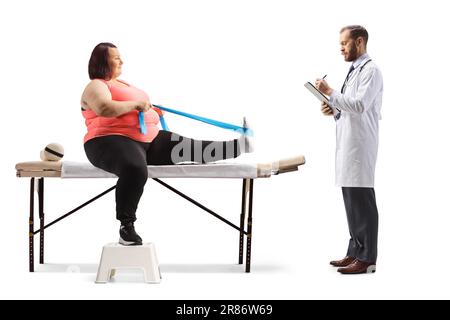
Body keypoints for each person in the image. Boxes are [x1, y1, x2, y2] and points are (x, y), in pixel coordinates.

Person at [81, 42, 253, 246]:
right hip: (108, 141)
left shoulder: (124, 84)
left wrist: (152, 112)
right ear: (102, 61)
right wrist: (136, 105)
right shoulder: (96, 85)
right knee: (135, 169)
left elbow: (133, 109)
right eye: (116, 57)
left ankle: (240, 146)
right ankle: (126, 227)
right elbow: (104, 108)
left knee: (190, 148)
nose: (122, 61)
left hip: (148, 139)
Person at [315, 26, 383, 274]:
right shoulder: (354, 71)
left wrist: (330, 92)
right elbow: (348, 108)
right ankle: (354, 251)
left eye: (345, 43)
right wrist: (333, 109)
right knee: (351, 200)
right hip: (348, 144)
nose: (341, 48)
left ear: (360, 41)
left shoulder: (372, 71)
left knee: (362, 201)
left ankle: (367, 259)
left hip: (361, 145)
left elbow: (361, 105)